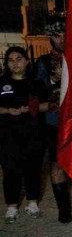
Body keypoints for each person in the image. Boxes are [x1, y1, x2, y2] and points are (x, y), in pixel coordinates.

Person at [1, 47, 49, 223]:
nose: (15, 63)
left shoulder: (36, 83)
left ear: (27, 61)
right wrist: (7, 110)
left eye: (19, 59)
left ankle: (33, 202)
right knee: (10, 170)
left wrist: (30, 109)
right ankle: (12, 206)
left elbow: (48, 105)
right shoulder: (2, 83)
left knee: (33, 169)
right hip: (8, 135)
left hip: (33, 133)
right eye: (11, 60)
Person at [36, 20, 72, 223]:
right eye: (57, 36)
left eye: (65, 35)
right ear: (51, 38)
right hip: (53, 122)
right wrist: (54, 80)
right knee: (57, 164)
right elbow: (37, 91)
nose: (62, 39)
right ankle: (63, 208)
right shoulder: (43, 62)